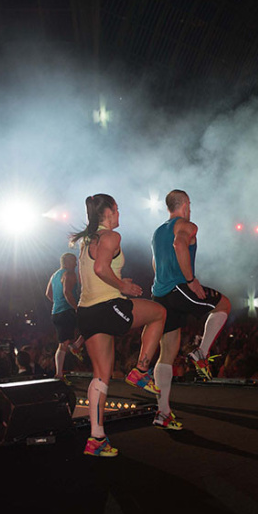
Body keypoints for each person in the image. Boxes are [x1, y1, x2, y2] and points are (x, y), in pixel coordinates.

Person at [72, 194, 167, 457]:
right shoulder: (112, 237)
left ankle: (96, 438)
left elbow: (95, 273)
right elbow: (102, 269)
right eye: (118, 209)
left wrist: (117, 279)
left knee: (101, 375)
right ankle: (141, 369)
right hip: (106, 307)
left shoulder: (87, 240)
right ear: (110, 212)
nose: (119, 214)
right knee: (159, 312)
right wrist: (123, 285)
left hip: (87, 311)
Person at [150, 190, 231, 430]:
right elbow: (179, 244)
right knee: (224, 304)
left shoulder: (156, 232)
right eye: (190, 204)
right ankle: (202, 352)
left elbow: (155, 262)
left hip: (160, 292)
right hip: (179, 287)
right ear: (186, 204)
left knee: (168, 352)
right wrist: (191, 279)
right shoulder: (187, 225)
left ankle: (163, 413)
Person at [45, 253, 85, 380]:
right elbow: (67, 292)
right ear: (67, 262)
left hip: (56, 312)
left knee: (63, 342)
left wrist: (57, 302)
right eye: (74, 261)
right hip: (67, 311)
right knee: (91, 324)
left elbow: (48, 294)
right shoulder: (69, 274)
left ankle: (75, 347)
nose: (76, 264)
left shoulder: (54, 275)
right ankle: (59, 373)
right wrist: (76, 308)